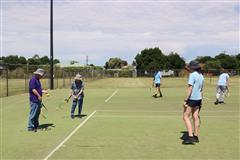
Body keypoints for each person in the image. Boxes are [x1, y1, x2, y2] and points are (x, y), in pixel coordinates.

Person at [182, 61, 204, 145]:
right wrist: (201, 100)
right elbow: (202, 90)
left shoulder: (192, 75)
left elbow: (190, 89)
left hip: (192, 99)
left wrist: (185, 100)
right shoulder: (201, 76)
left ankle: (191, 137)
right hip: (198, 99)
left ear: (192, 68)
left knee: (185, 116)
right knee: (195, 116)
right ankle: (196, 136)